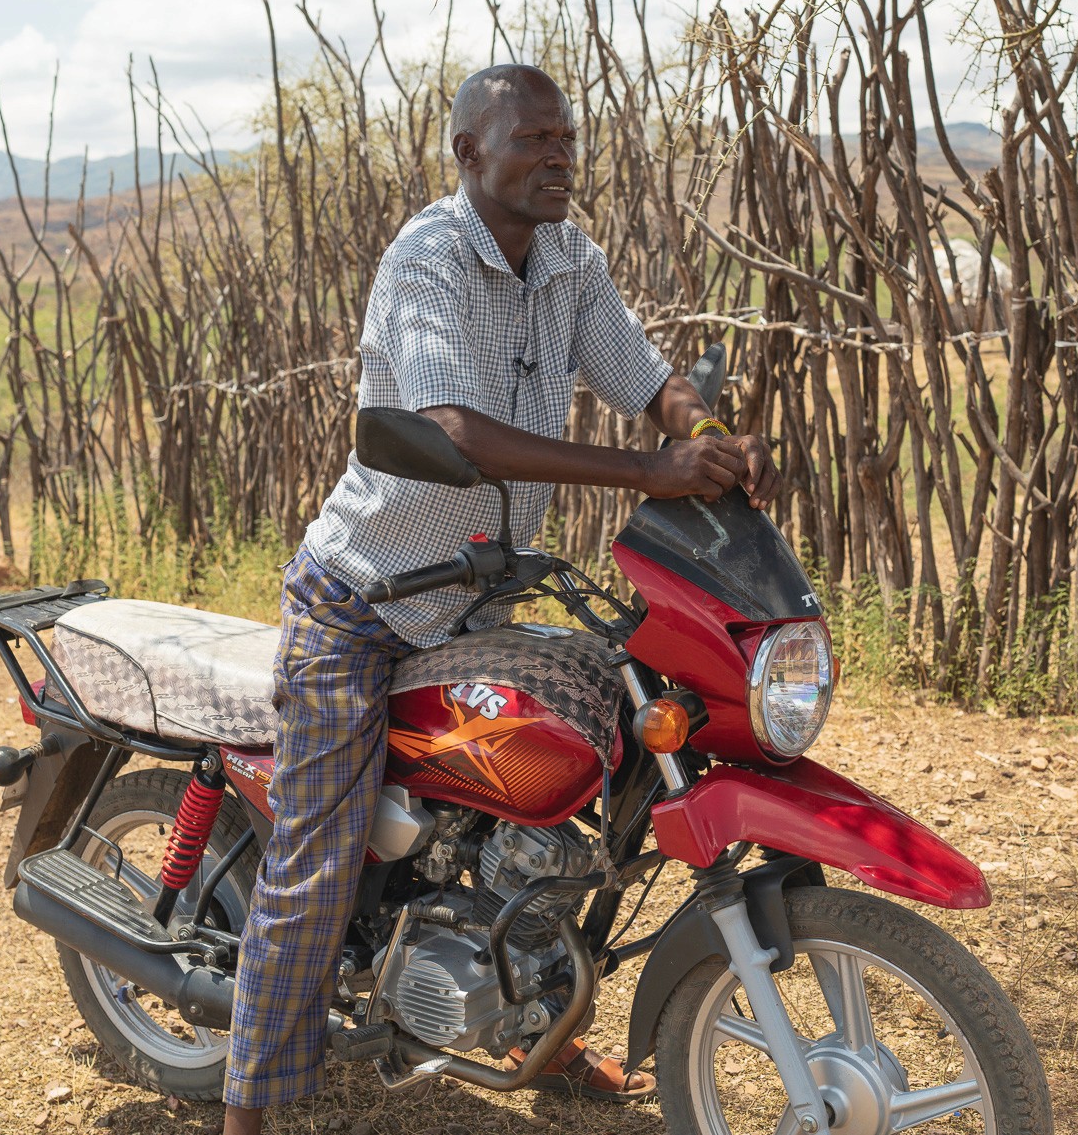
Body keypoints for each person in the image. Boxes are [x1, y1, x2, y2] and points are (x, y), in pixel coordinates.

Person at [222, 63, 781, 1135]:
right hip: (365, 601)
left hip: (475, 597)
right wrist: (642, 474)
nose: (557, 154)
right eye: (530, 138)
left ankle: (535, 1025)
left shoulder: (568, 256)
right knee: (315, 858)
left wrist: (695, 431)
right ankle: (251, 1108)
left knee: (594, 765)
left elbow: (646, 377)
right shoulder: (426, 259)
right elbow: (453, 431)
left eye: (564, 136)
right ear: (469, 154)